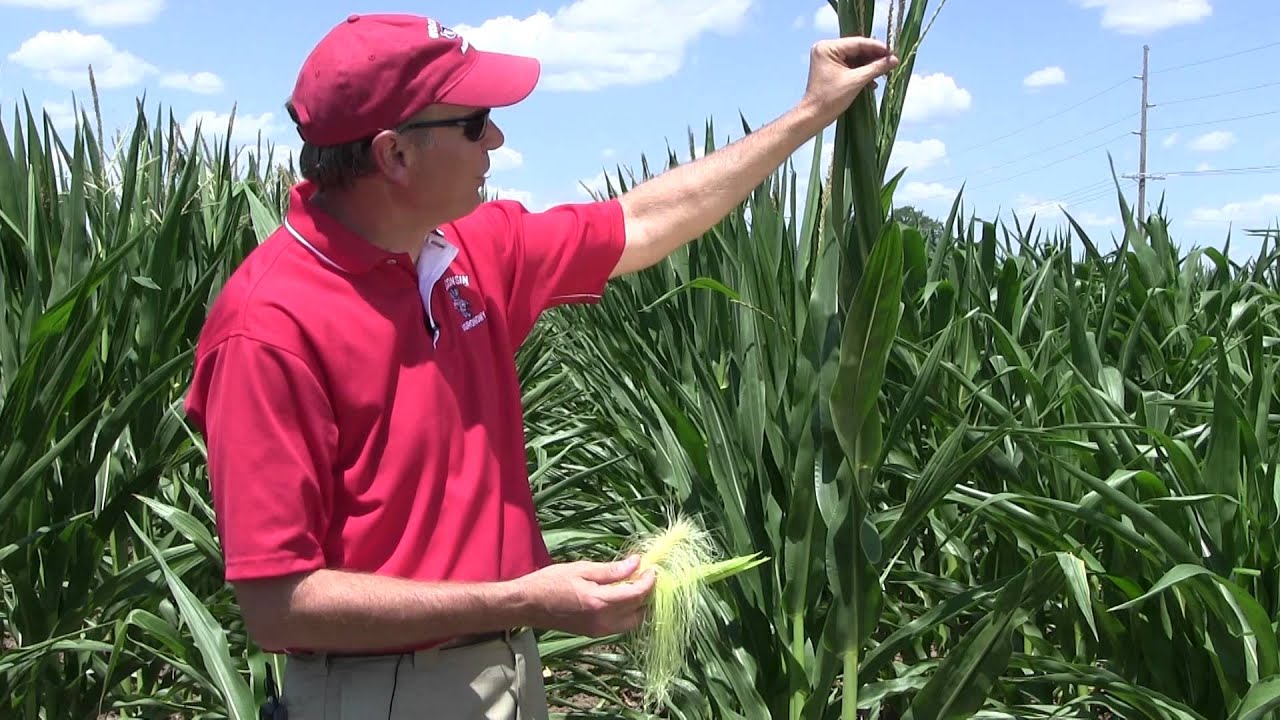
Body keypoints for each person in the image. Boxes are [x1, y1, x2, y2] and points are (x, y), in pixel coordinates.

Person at [182, 11, 898, 720]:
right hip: (380, 694)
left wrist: (811, 113)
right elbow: (279, 607)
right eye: (473, 122)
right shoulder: (268, 328)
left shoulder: (467, 254)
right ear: (394, 155)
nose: (495, 138)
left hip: (507, 672)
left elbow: (643, 220)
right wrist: (526, 598)